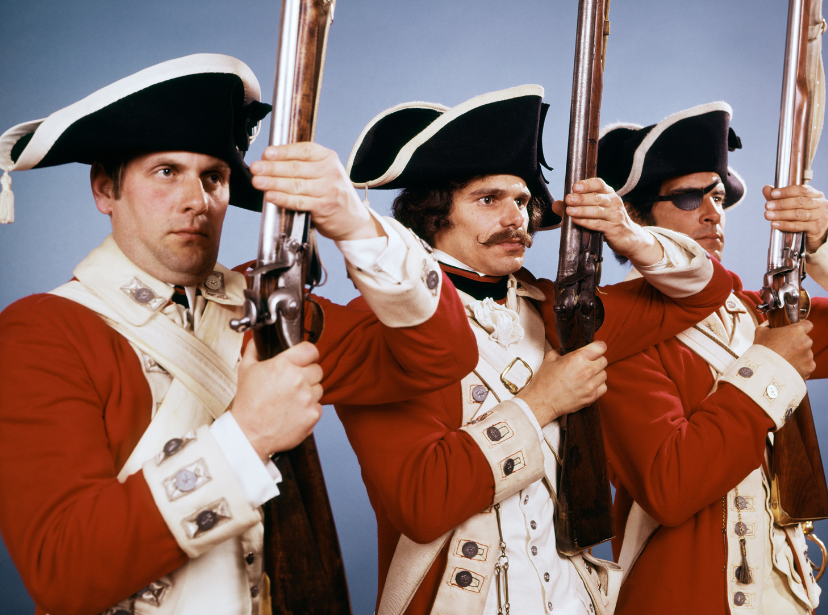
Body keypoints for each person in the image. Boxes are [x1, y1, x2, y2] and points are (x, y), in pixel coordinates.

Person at [0, 54, 478, 615]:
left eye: (214, 178)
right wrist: (245, 436)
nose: (195, 201)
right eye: (165, 171)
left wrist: (356, 225)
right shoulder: (43, 332)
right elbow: (64, 568)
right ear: (106, 190)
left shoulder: (271, 310)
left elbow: (442, 356)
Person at [335, 85, 735, 615]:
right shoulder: (378, 326)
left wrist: (628, 234)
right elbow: (422, 502)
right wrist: (541, 403)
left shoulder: (557, 310)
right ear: (434, 214)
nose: (516, 218)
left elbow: (708, 290)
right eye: (488, 199)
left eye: (522, 200)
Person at [595, 102, 828, 615]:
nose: (713, 211)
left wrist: (824, 241)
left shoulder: (758, 313)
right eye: (689, 198)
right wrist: (769, 368)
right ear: (635, 218)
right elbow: (671, 487)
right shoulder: (615, 333)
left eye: (717, 195)